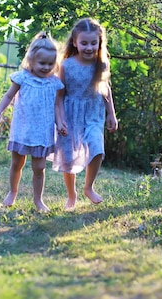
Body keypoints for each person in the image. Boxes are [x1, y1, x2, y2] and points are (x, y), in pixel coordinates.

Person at [0, 32, 64, 213]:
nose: (46, 67)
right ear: (31, 60)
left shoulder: (54, 83)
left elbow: (57, 105)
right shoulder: (22, 78)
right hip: (23, 129)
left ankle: (38, 199)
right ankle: (12, 192)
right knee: (17, 163)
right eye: (42, 63)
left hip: (42, 131)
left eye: (50, 64)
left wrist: (60, 122)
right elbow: (8, 96)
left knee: (39, 167)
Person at [52, 17, 118, 210]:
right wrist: (61, 119)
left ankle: (88, 187)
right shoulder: (66, 65)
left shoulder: (102, 64)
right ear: (75, 42)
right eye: (84, 43)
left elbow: (106, 89)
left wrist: (111, 114)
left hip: (93, 114)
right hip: (70, 114)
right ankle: (71, 195)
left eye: (93, 43)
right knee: (68, 156)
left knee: (97, 147)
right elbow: (59, 95)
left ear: (99, 42)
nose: (89, 47)